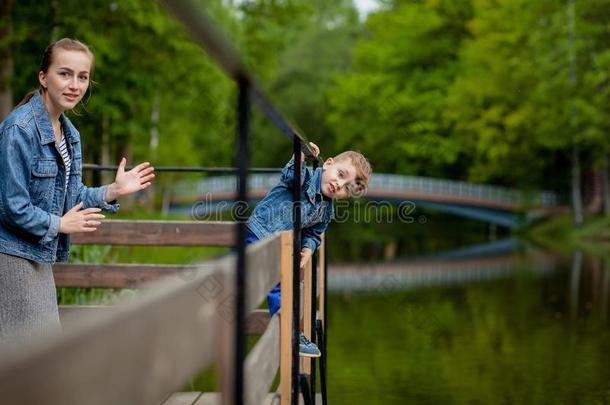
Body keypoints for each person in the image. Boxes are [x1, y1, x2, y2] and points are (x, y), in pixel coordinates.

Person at [0, 38, 155, 341]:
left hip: (38, 254)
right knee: (22, 357)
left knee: (39, 356)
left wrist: (112, 190)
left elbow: (70, 198)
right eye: (65, 74)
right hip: (10, 256)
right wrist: (59, 224)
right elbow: (10, 206)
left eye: (82, 77)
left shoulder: (70, 135)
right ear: (43, 77)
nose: (75, 85)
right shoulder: (19, 130)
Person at [246, 142, 372, 357]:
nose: (338, 184)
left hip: (280, 247)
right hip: (257, 233)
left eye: (345, 188)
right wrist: (301, 154)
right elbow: (290, 174)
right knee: (248, 278)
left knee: (285, 284)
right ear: (328, 164)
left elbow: (314, 232)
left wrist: (308, 248)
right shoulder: (304, 179)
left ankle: (290, 331)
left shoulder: (326, 209)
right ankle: (290, 333)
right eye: (340, 174)